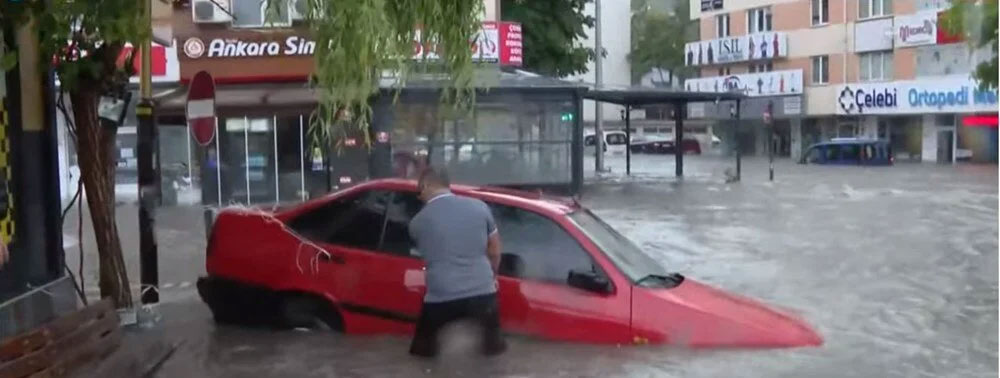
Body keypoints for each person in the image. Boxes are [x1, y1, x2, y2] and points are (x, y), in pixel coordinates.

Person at [407, 166, 506, 358]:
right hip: (483, 293)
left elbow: (426, 256)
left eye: (419, 191)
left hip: (440, 298)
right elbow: (494, 250)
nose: (419, 196)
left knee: (422, 356)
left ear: (426, 185)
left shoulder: (417, 223)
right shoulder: (479, 207)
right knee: (493, 355)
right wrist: (492, 275)